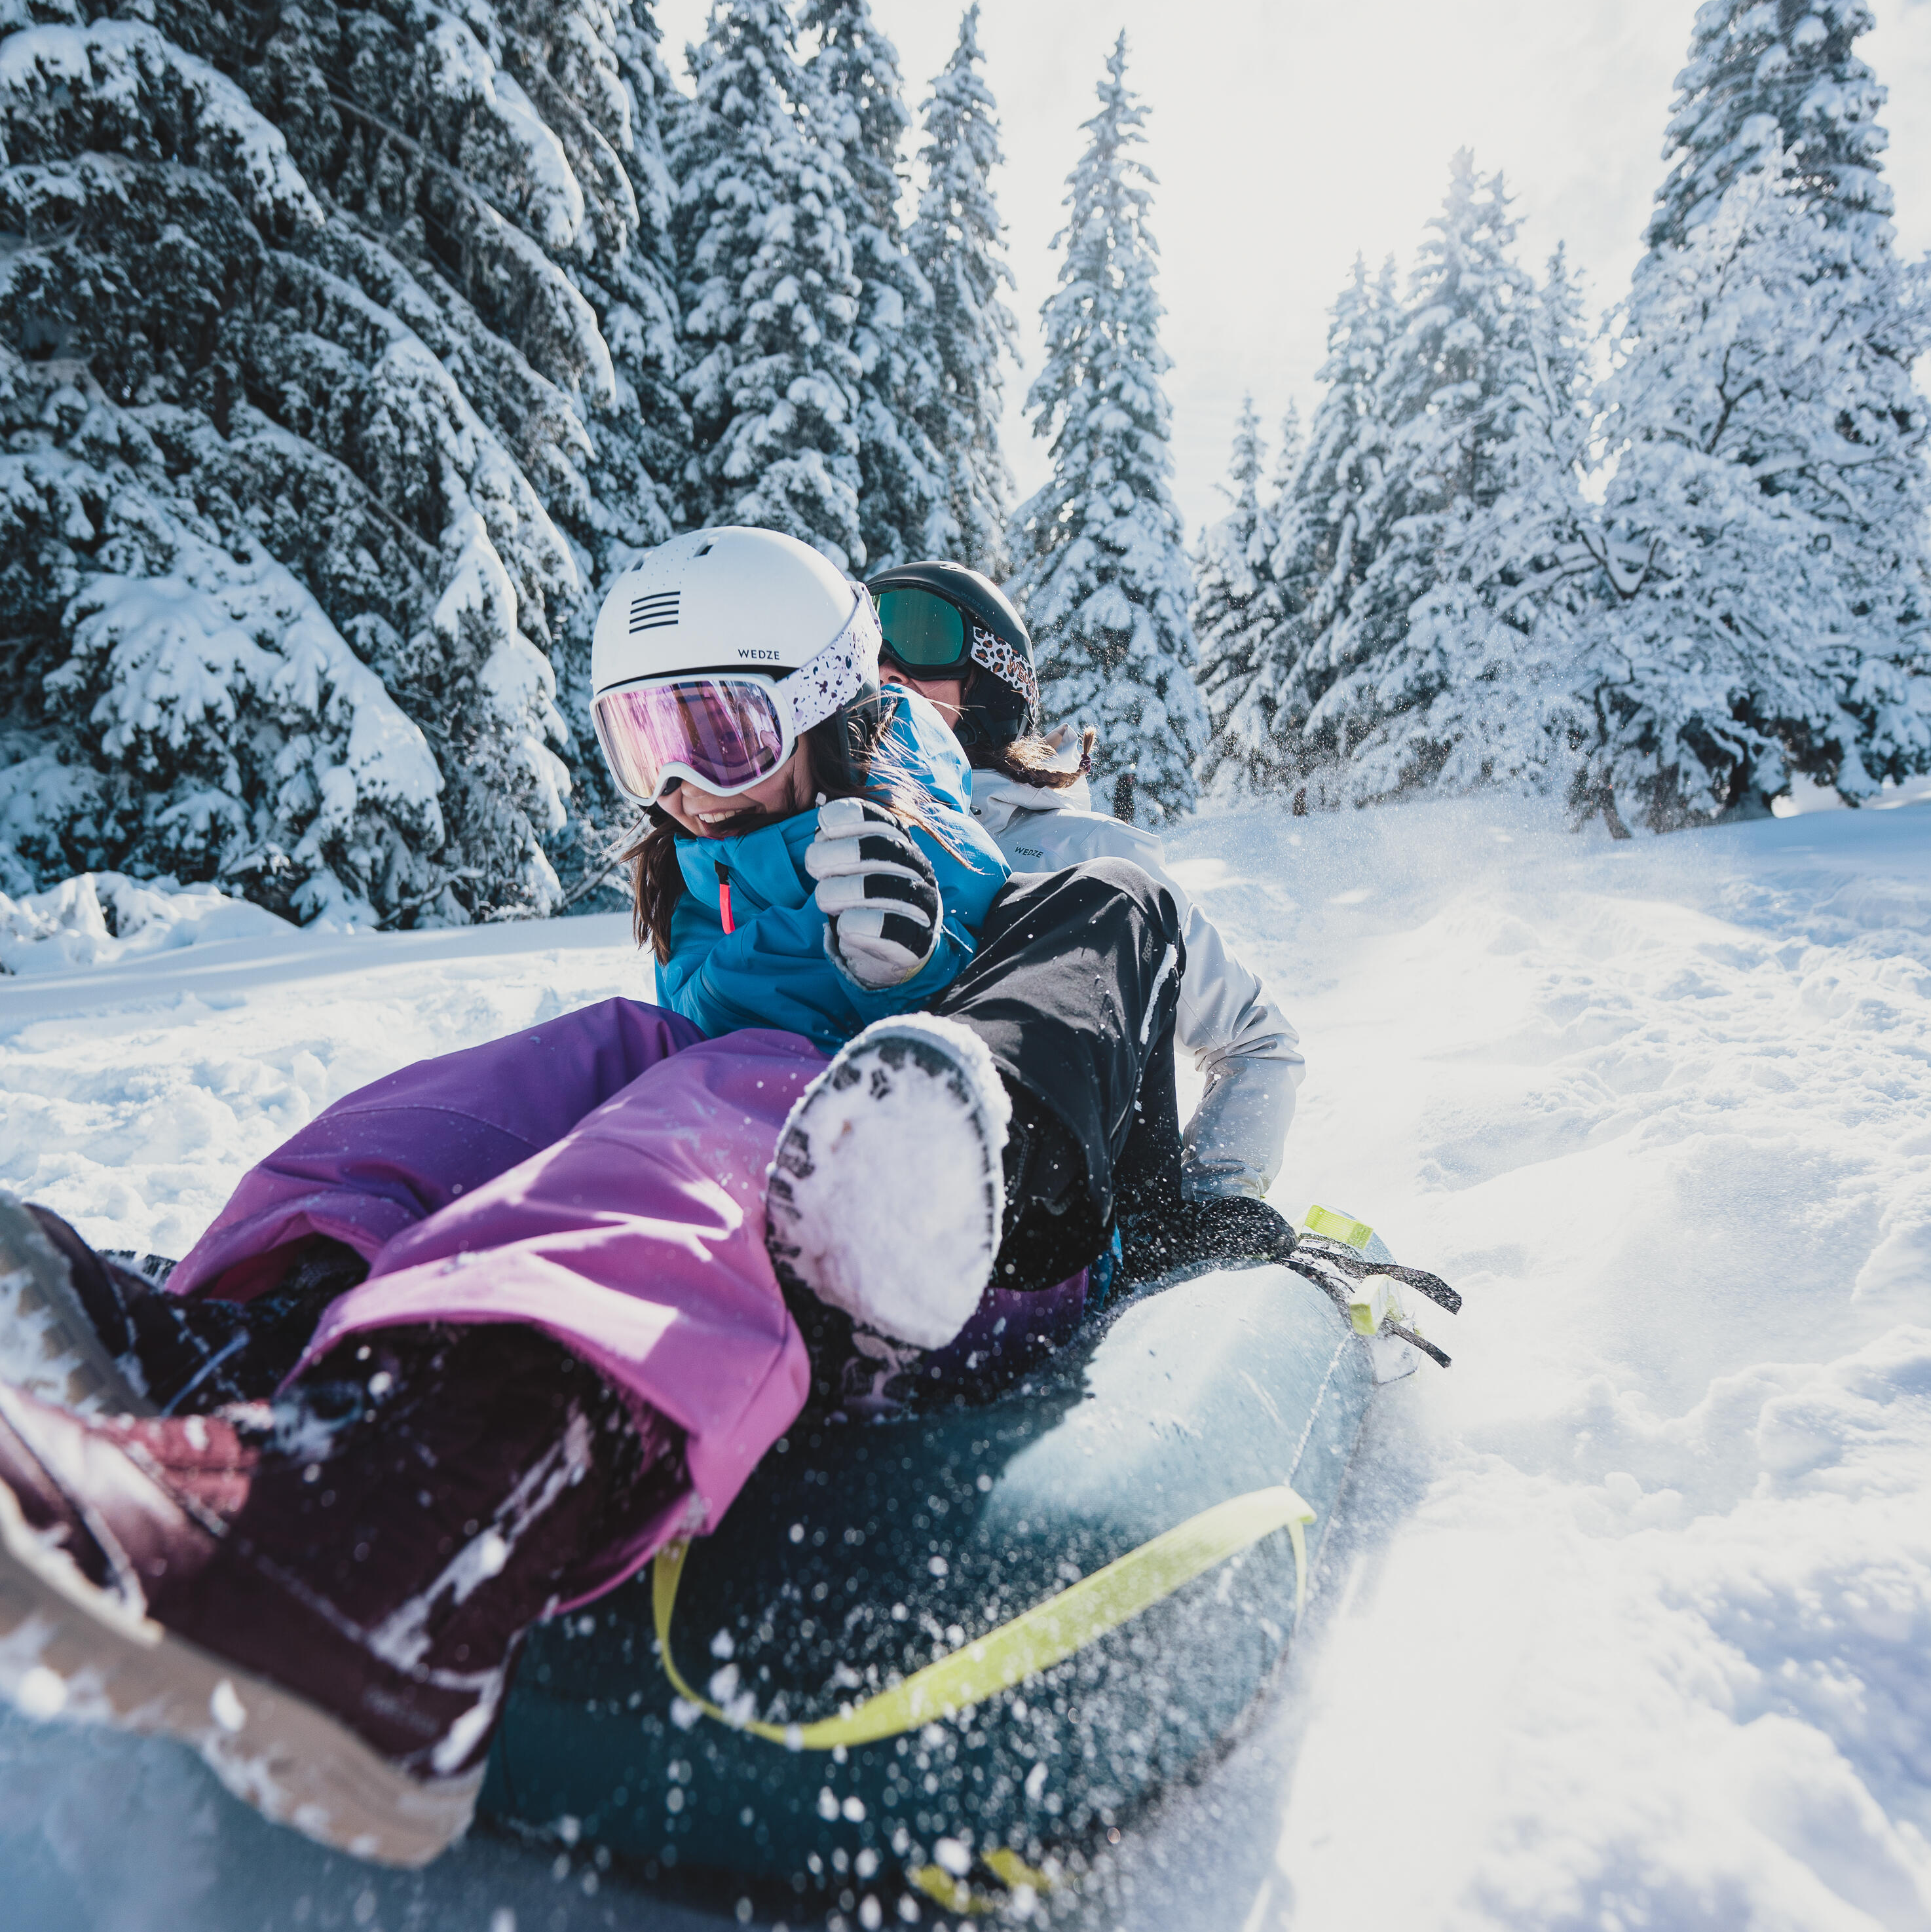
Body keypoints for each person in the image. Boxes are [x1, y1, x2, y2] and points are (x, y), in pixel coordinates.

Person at [0, 530, 1199, 1863]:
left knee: (733, 1085)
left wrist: (1210, 1214)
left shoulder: (1066, 841)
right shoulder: (734, 845)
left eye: (721, 735)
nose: (681, 783)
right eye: (648, 745)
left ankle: (405, 1541)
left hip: (964, 1209)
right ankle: (248, 1330)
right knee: (556, 1072)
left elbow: (1187, 1012)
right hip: (792, 1123)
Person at [865, 559, 1304, 1211]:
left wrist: (1213, 1199)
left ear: (993, 675)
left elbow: (1256, 1041)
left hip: (1065, 1234)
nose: (889, 670)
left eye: (925, 635)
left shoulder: (1090, 858)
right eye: (868, 647)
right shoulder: (840, 845)